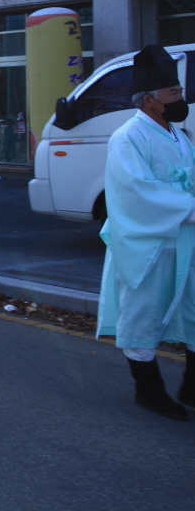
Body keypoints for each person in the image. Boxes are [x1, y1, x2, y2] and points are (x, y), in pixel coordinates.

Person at [96, 45, 195, 421]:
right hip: (148, 242)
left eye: (180, 92)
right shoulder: (128, 136)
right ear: (151, 99)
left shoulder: (176, 133)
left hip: (183, 238)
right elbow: (134, 189)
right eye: (174, 93)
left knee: (193, 306)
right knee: (145, 312)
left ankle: (191, 385)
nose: (180, 97)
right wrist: (188, 208)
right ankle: (149, 390)